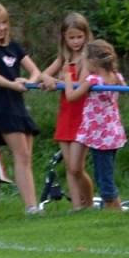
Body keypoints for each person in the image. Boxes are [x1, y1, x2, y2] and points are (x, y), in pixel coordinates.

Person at [0, 1, 42, 214]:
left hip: (18, 104)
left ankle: (32, 205)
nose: (1, 28)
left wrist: (28, 80)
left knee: (26, 157)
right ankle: (30, 207)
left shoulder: (14, 47)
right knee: (21, 155)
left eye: (4, 23)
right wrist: (13, 84)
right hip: (2, 104)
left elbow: (35, 71)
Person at [40, 12, 95, 210]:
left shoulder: (89, 58)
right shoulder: (64, 57)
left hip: (83, 116)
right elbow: (44, 74)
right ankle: (76, 208)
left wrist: (60, 81)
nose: (75, 41)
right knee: (69, 168)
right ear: (64, 37)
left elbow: (79, 88)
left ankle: (88, 202)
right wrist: (49, 79)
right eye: (71, 37)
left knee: (76, 167)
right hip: (66, 115)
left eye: (79, 37)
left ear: (86, 36)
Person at [64, 40, 127, 210]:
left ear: (93, 62)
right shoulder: (117, 77)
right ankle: (93, 204)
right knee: (80, 168)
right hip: (99, 130)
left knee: (104, 177)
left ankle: (114, 209)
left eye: (85, 59)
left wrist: (68, 77)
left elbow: (71, 96)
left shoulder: (93, 80)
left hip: (101, 134)